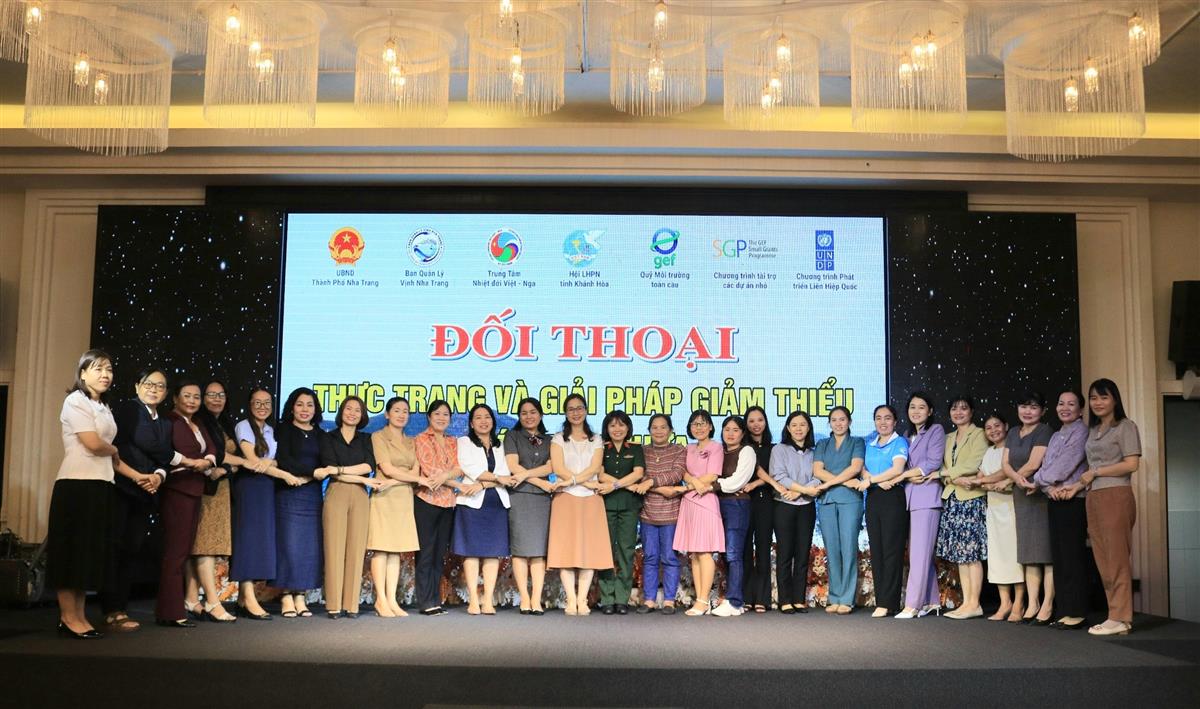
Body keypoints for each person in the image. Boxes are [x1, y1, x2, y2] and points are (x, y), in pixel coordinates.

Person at [48, 350, 122, 638]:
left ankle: (78, 615)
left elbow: (108, 453)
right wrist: (114, 449)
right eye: (98, 369)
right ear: (82, 373)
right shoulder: (75, 401)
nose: (105, 374)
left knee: (86, 555)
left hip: (101, 484)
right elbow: (92, 443)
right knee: (71, 553)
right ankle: (68, 617)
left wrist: (141, 476)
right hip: (76, 485)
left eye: (109, 369)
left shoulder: (103, 406)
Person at [102, 368, 174, 632]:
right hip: (122, 488)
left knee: (131, 551)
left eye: (160, 386)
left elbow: (163, 456)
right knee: (115, 549)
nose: (154, 389)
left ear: (166, 393)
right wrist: (174, 459)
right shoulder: (129, 409)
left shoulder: (165, 423)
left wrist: (159, 476)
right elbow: (146, 443)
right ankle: (112, 609)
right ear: (136, 386)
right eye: (148, 384)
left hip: (145, 493)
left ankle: (120, 607)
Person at [234, 388, 302, 620]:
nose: (262, 407)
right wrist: (284, 475)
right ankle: (248, 597)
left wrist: (270, 464)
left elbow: (271, 460)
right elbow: (253, 461)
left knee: (260, 541)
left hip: (266, 487)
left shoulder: (271, 430)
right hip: (250, 486)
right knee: (248, 540)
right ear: (249, 404)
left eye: (266, 403)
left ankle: (244, 599)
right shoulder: (244, 426)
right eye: (257, 402)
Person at [1080, 379, 1141, 636]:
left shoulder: (1125, 426)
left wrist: (1096, 472)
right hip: (1094, 496)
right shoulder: (1093, 430)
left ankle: (1121, 617)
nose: (1098, 402)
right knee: (1102, 559)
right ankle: (1113, 615)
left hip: (1116, 495)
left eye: (1104, 397)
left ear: (1115, 399)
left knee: (1117, 559)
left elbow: (1131, 464)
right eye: (1093, 398)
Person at [157, 380, 218, 628]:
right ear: (175, 398)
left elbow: (211, 448)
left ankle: (173, 608)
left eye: (196, 397)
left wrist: (208, 461)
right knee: (175, 552)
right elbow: (166, 451)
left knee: (183, 551)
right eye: (187, 396)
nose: (192, 401)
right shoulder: (169, 421)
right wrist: (193, 462)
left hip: (195, 489)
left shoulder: (197, 422)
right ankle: (171, 612)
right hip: (177, 490)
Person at [547, 393, 612, 616]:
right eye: (571, 409)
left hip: (591, 498)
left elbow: (595, 468)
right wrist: (574, 482)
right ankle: (571, 599)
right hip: (565, 497)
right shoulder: (558, 439)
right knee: (566, 550)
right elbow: (558, 468)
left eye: (579, 408)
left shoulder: (596, 439)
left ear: (586, 410)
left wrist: (573, 480)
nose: (576, 412)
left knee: (588, 551)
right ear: (566, 413)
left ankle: (582, 600)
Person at [1030, 390, 1090, 630]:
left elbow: (1063, 468)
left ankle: (1077, 612)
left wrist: (1039, 481)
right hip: (1054, 499)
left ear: (1080, 409)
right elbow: (1046, 467)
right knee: (1060, 557)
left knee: (1073, 556)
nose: (1065, 407)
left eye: (1071, 404)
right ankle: (1064, 610)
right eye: (1061, 403)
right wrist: (1047, 487)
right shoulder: (1056, 435)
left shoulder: (1082, 432)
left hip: (1073, 499)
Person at [314, 396, 379, 619]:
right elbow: (328, 467)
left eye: (357, 410)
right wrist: (358, 477)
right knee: (334, 548)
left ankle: (351, 605)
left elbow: (368, 466)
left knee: (356, 549)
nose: (352, 413)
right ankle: (333, 604)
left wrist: (340, 470)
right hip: (337, 492)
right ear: (341, 411)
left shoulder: (366, 438)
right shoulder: (328, 437)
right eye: (348, 409)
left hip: (360, 496)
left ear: (362, 415)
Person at [184, 379, 241, 623]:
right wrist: (232, 465)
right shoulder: (199, 422)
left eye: (221, 395)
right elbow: (212, 456)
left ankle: (190, 598)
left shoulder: (225, 423)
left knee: (202, 546)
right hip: (204, 489)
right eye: (210, 394)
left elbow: (230, 462)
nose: (216, 399)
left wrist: (227, 468)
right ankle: (212, 601)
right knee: (203, 546)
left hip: (222, 490)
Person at [453, 403, 512, 615]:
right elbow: (471, 469)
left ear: (493, 421)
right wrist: (493, 479)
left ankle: (487, 600)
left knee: (492, 553)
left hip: (496, 504)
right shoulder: (464, 442)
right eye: (478, 417)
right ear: (471, 423)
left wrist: (484, 485)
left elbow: (507, 474)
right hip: (471, 503)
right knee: (471, 552)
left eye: (487, 417)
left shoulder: (501, 444)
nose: (483, 421)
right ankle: (472, 600)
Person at [1001, 392, 1055, 624]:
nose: (1027, 411)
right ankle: (1033, 603)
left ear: (1042, 411)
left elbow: (1034, 463)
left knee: (1045, 553)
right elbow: (1005, 463)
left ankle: (1047, 603)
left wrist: (1012, 479)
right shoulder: (1013, 432)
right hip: (1020, 495)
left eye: (1033, 407)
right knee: (1029, 553)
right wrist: (1014, 479)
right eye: (1023, 406)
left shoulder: (1044, 431)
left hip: (1038, 494)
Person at [273, 387, 325, 619]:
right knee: (289, 544)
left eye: (310, 405)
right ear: (292, 407)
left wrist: (310, 477)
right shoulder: (283, 430)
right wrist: (310, 473)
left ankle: (301, 596)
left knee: (308, 547)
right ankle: (286, 595)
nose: (305, 409)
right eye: (300, 404)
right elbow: (283, 460)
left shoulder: (320, 434)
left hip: (311, 495)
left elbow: (325, 464)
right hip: (288, 492)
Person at [935, 396, 988, 619]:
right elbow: (940, 468)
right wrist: (952, 478)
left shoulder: (980, 434)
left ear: (972, 411)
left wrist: (948, 474)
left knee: (972, 553)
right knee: (960, 554)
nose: (958, 412)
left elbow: (975, 463)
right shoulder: (947, 437)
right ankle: (966, 603)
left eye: (963, 408)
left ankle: (975, 603)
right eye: (954, 408)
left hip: (972, 498)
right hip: (953, 497)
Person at [368, 397, 421, 618]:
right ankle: (380, 599)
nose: (401, 415)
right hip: (384, 497)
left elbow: (416, 472)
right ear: (387, 414)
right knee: (381, 548)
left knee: (396, 550)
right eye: (397, 410)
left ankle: (391, 599)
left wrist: (395, 481)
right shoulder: (378, 436)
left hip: (403, 497)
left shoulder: (411, 441)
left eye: (405, 411)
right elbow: (387, 468)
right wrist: (399, 479)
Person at [894, 392, 945, 619]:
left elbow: (933, 462)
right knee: (919, 552)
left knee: (919, 553)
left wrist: (904, 475)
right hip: (910, 497)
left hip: (927, 496)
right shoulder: (906, 435)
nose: (916, 411)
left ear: (930, 411)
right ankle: (931, 601)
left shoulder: (936, 430)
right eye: (912, 407)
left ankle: (912, 605)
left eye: (921, 407)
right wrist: (907, 475)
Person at [503, 397, 555, 615]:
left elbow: (551, 467)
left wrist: (527, 475)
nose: (528, 416)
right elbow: (513, 465)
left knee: (538, 551)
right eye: (524, 413)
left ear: (540, 415)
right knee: (520, 550)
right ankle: (524, 598)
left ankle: (536, 598)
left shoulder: (550, 439)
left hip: (542, 500)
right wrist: (539, 481)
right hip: (520, 496)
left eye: (533, 412)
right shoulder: (512, 436)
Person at [970, 414, 1025, 621]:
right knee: (998, 556)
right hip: (993, 508)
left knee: (1014, 555)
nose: (993, 430)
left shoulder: (1012, 449)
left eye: (997, 426)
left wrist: (984, 482)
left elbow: (1006, 473)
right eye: (988, 427)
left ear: (1006, 426)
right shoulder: (989, 452)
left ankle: (1019, 603)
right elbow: (980, 477)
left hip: (1011, 507)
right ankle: (1005, 603)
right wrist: (981, 482)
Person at [412, 399, 464, 616]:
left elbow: (458, 468)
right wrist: (453, 481)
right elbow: (430, 472)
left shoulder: (452, 441)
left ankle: (436, 599)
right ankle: (425, 601)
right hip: (426, 500)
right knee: (425, 552)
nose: (442, 418)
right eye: (437, 414)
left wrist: (447, 477)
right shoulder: (420, 439)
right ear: (429, 417)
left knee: (439, 554)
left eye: (445, 414)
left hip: (448, 502)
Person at [812, 406, 865, 615]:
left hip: (850, 500)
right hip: (827, 501)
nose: (838, 423)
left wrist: (829, 483)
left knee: (848, 547)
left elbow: (855, 468)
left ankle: (847, 598)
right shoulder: (822, 444)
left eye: (842, 419)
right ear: (829, 423)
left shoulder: (857, 442)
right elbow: (817, 470)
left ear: (849, 422)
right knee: (832, 549)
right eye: (834, 420)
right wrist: (842, 482)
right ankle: (834, 596)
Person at [632, 413, 686, 614]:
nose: (659, 431)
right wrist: (660, 488)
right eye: (654, 427)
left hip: (671, 513)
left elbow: (676, 474)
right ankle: (649, 600)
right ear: (649, 430)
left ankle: (670, 600)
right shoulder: (642, 451)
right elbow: (640, 477)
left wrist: (651, 483)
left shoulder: (679, 450)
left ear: (671, 430)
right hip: (648, 513)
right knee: (650, 557)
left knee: (670, 557)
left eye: (663, 427)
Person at [673, 409, 725, 616]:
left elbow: (712, 475)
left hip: (706, 502)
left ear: (710, 426)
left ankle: (703, 600)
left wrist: (690, 485)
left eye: (703, 423)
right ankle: (699, 599)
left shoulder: (716, 447)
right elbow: (683, 472)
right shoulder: (688, 448)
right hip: (689, 502)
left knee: (705, 552)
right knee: (694, 553)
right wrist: (693, 483)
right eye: (695, 424)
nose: (699, 427)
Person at [770, 410, 821, 614]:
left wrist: (801, 492)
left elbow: (818, 477)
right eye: (794, 425)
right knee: (785, 553)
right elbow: (779, 475)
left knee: (802, 553)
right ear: (788, 428)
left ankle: (799, 599)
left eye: (803, 424)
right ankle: (785, 600)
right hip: (784, 505)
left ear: (808, 428)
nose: (798, 428)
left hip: (806, 506)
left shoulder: (814, 452)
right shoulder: (779, 449)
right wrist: (802, 490)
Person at [862, 404, 909, 618]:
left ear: (895, 421)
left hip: (893, 497)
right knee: (877, 550)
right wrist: (872, 480)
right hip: (873, 497)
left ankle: (889, 602)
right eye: (879, 418)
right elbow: (863, 469)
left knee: (892, 551)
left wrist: (873, 480)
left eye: (887, 418)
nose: (883, 422)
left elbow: (897, 469)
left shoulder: (899, 442)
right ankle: (881, 599)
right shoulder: (870, 444)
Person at [597, 410, 645, 615]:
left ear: (628, 428)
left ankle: (622, 599)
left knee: (626, 550)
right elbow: (599, 474)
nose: (617, 429)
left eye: (621, 425)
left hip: (629, 506)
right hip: (606, 505)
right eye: (612, 425)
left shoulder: (635, 448)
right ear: (607, 429)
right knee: (605, 551)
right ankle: (607, 598)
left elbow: (638, 473)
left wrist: (616, 485)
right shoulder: (601, 448)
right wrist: (625, 485)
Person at [711, 415, 756, 617]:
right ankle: (733, 599)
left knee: (733, 553)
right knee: (724, 554)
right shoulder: (718, 451)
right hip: (717, 504)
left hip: (737, 505)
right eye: (727, 429)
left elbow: (738, 481)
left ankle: (735, 601)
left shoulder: (746, 451)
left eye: (735, 430)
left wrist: (714, 485)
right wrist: (720, 485)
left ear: (743, 433)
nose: (730, 433)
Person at [741, 406, 775, 613]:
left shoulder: (774, 448)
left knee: (763, 549)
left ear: (766, 422)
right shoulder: (742, 448)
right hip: (743, 502)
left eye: (760, 420)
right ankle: (746, 597)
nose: (756, 424)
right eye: (751, 421)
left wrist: (755, 484)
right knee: (744, 550)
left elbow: (774, 475)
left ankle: (762, 598)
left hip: (765, 502)